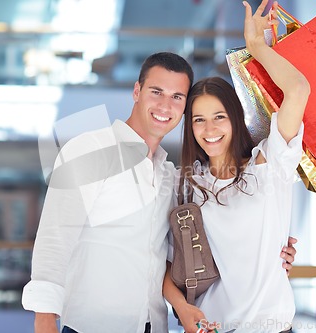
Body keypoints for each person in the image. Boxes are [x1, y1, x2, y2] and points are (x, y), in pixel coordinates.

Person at [22, 53, 297, 332]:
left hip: (152, 324)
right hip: (91, 325)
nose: (166, 105)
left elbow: (171, 255)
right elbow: (54, 238)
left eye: (177, 96)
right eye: (157, 92)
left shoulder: (171, 177)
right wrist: (45, 318)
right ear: (137, 91)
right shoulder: (89, 150)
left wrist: (271, 251)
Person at [162, 1, 310, 333]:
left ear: (235, 119)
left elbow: (298, 89)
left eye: (219, 117)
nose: (209, 129)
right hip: (213, 328)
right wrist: (182, 307)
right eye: (199, 120)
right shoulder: (184, 185)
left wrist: (257, 46)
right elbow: (164, 263)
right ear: (190, 128)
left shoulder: (268, 166)